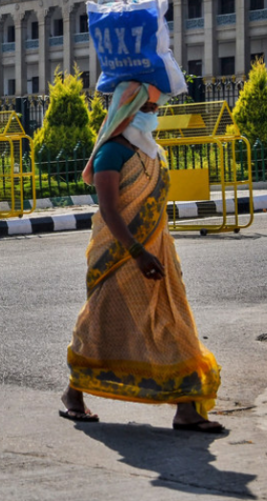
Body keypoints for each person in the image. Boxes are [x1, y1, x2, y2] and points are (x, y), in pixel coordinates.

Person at [60, 81, 224, 433]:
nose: (154, 115)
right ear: (127, 112)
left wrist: (154, 249)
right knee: (101, 324)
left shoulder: (153, 152)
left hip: (158, 252)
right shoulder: (111, 153)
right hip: (119, 256)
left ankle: (186, 408)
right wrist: (136, 252)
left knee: (174, 321)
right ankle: (73, 394)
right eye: (147, 110)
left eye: (155, 109)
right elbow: (109, 209)